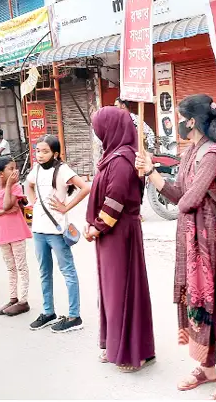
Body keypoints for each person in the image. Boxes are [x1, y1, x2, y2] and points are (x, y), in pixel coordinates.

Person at [136, 95, 216, 400]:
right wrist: (150, 172)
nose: (180, 125)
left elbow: (189, 199)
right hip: (193, 243)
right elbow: (176, 196)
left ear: (192, 121)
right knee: (200, 306)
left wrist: (155, 173)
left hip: (214, 244)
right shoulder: (190, 154)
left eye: (182, 118)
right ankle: (207, 367)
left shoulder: (213, 154)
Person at [88, 107, 155, 373]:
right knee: (113, 291)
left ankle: (130, 352)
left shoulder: (121, 159)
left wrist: (98, 227)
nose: (97, 134)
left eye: (99, 129)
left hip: (118, 233)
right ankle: (120, 345)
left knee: (121, 291)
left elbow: (114, 200)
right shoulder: (114, 155)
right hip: (113, 234)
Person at [25, 135, 90, 333]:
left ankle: (74, 316)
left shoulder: (62, 170)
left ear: (55, 153)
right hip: (38, 231)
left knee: (68, 272)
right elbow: (28, 184)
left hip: (56, 231)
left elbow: (86, 187)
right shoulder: (35, 170)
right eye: (38, 151)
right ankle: (48, 312)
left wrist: (65, 207)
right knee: (44, 273)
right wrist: (32, 201)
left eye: (45, 152)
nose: (40, 155)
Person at [0, 156, 32, 315]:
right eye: (11, 168)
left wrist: (9, 186)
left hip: (17, 233)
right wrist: (3, 212)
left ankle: (23, 301)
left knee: (21, 267)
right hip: (2, 234)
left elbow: (8, 204)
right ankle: (13, 298)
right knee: (11, 268)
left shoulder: (16, 187)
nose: (15, 171)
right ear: (0, 173)